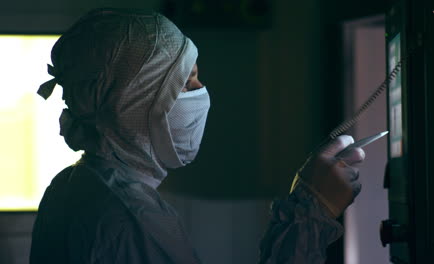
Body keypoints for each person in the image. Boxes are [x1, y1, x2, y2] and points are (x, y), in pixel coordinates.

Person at [30, 8, 365, 264]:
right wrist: (310, 216)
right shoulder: (131, 221)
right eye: (187, 82)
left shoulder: (74, 184)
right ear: (134, 101)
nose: (201, 93)